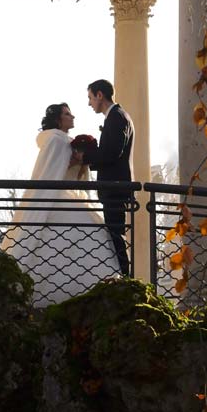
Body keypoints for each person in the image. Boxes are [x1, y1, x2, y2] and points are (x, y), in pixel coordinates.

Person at [1, 102, 120, 306]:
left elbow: (77, 178)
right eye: (67, 114)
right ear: (58, 119)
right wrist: (72, 161)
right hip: (56, 197)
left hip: (70, 195)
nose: (72, 116)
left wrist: (82, 161)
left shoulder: (68, 142)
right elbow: (50, 172)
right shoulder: (55, 140)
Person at [73, 79, 134, 275]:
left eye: (90, 97)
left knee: (116, 237)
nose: (89, 103)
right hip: (114, 187)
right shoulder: (117, 116)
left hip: (115, 188)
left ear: (100, 95)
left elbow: (112, 153)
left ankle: (125, 278)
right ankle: (122, 277)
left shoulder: (117, 117)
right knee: (115, 236)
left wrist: (85, 157)